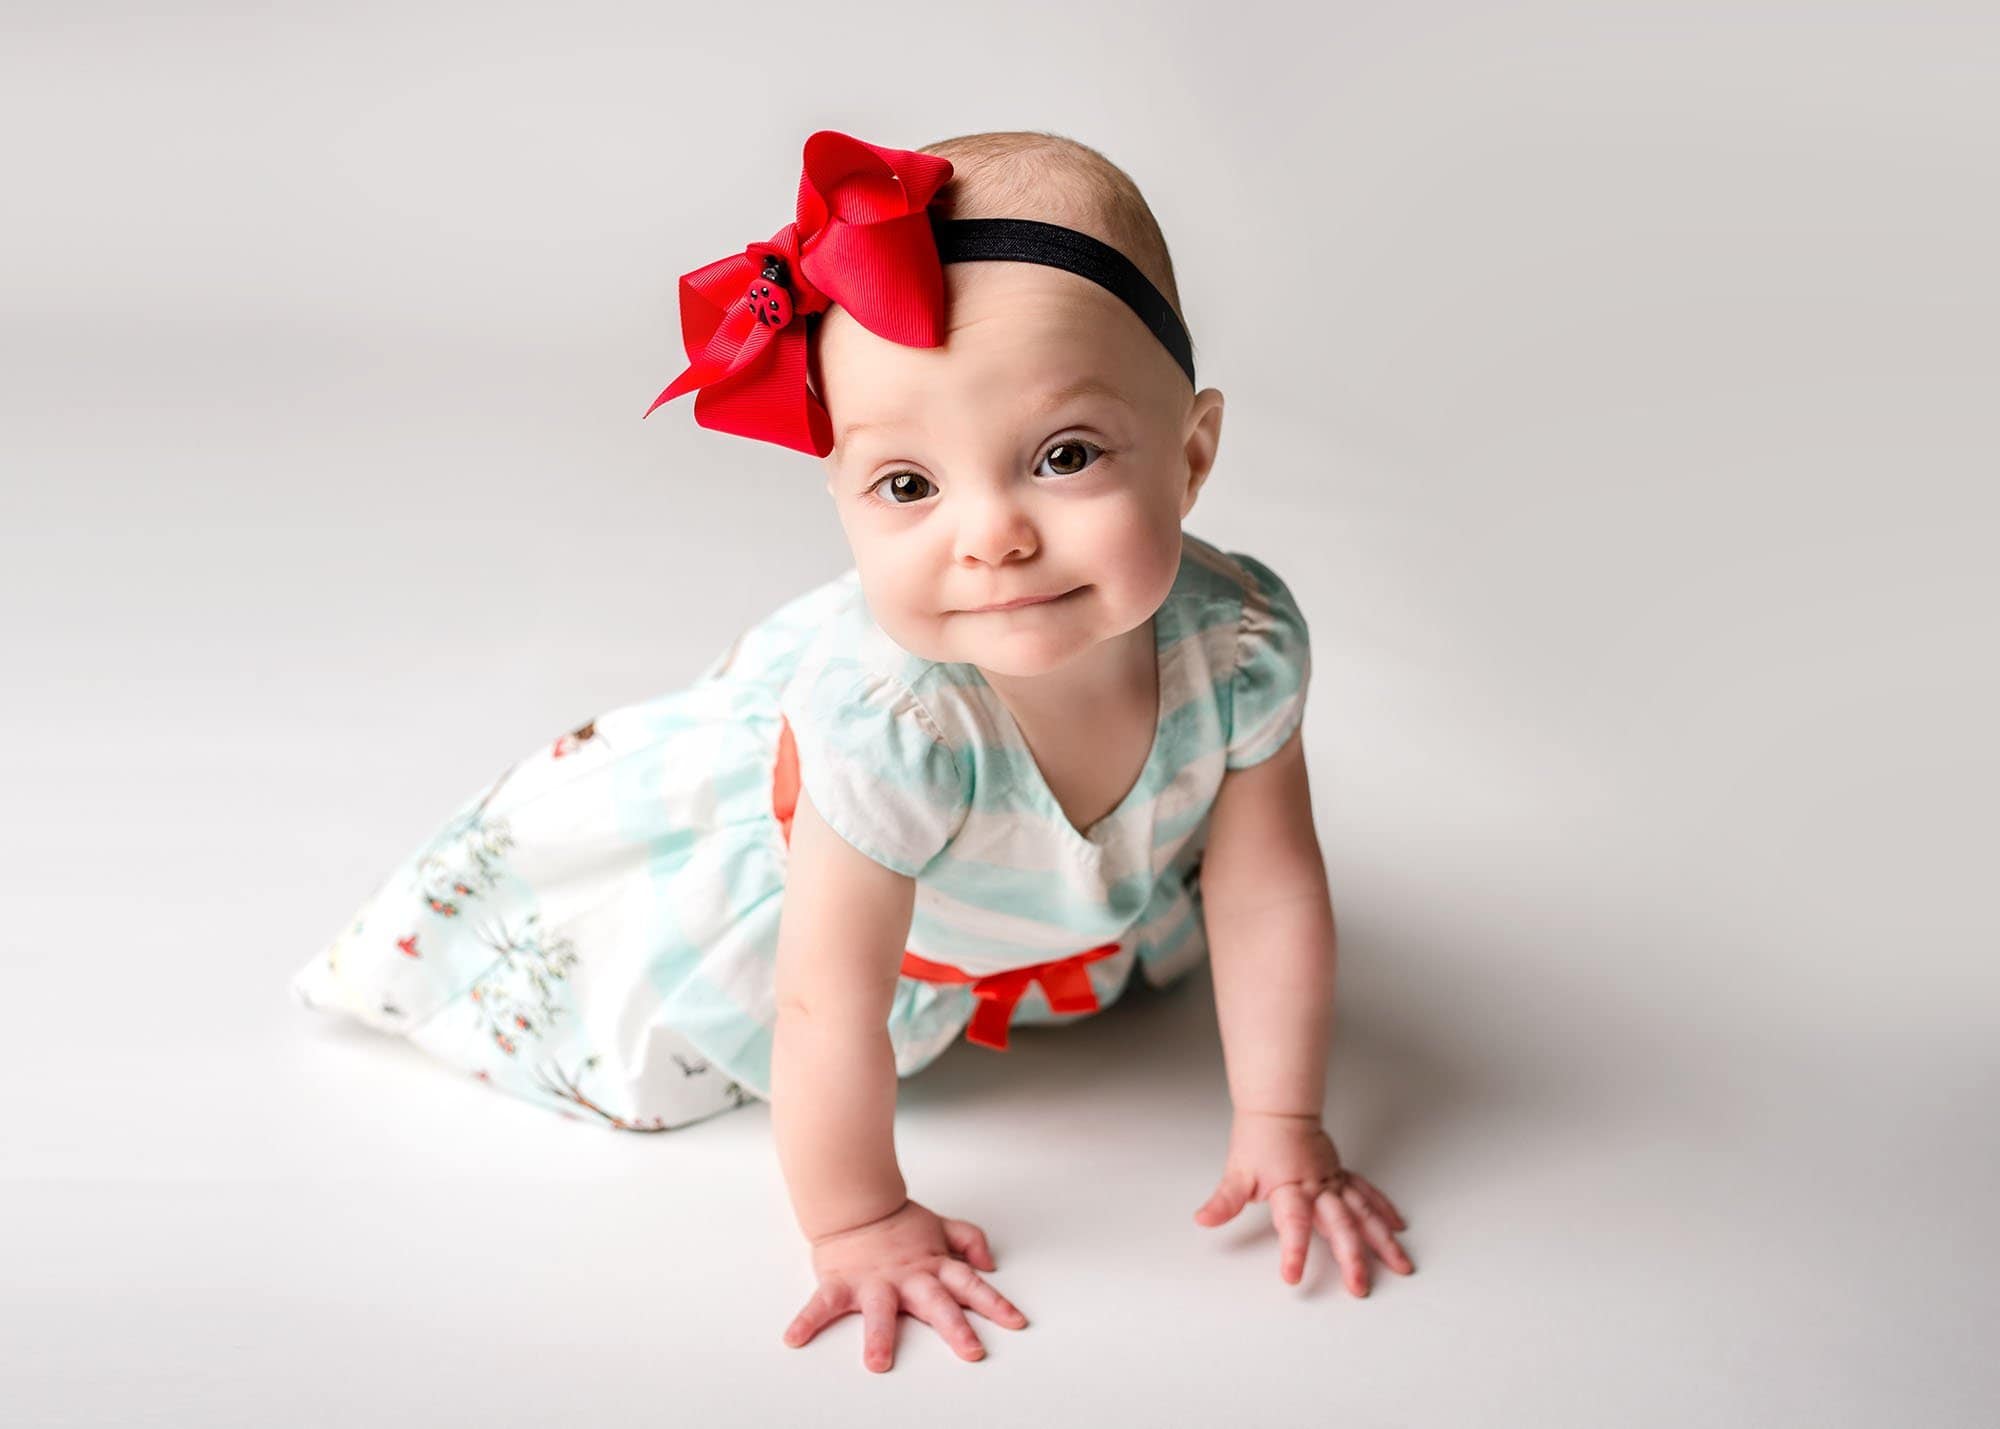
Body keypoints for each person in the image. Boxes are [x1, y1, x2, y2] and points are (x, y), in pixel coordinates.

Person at [293, 127, 1416, 1372]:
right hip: (856, 934)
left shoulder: (1239, 644)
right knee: (623, 1027)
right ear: (838, 496)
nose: (992, 535)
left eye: (1064, 457)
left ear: (1192, 454)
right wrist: (860, 1218)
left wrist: (1283, 1117)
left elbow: (1263, 887)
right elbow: (826, 1001)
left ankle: (1065, 952)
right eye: (905, 485)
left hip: (1059, 906)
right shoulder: (895, 722)